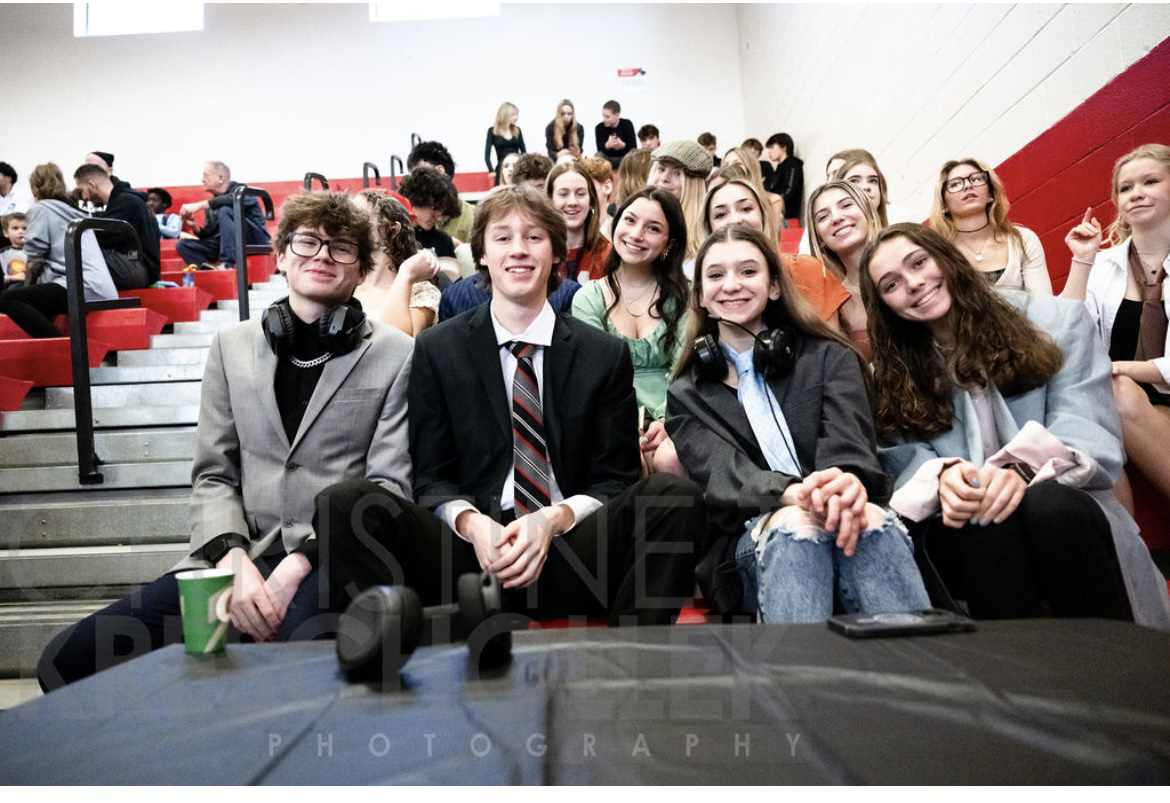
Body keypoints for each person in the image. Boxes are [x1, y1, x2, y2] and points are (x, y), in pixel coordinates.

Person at [37, 191, 417, 690]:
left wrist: (295, 566)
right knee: (65, 662)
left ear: (363, 269)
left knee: (277, 677)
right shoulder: (230, 346)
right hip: (236, 552)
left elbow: (387, 488)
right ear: (281, 256)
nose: (322, 255)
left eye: (341, 248)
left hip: (331, 560)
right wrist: (234, 559)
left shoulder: (397, 354)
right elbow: (214, 473)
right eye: (307, 242)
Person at [319, 185, 704, 627]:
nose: (518, 250)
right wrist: (473, 524)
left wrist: (552, 520)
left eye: (534, 237)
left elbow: (614, 479)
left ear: (556, 252)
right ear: (481, 253)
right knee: (345, 503)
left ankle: (629, 663)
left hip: (572, 547)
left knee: (675, 498)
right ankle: (392, 661)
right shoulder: (437, 349)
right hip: (470, 554)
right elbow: (431, 477)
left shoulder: (602, 354)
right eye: (503, 238)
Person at [861, 222, 1170, 628]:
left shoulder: (1057, 320)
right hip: (969, 524)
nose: (915, 283)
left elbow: (1084, 424)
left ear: (946, 257)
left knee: (1047, 504)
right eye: (891, 284)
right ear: (884, 305)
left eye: (919, 262)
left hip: (1067, 502)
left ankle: (1110, 668)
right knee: (984, 518)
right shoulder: (891, 371)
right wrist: (943, 478)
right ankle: (1019, 680)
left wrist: (1020, 470)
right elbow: (901, 454)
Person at [666, 224, 930, 622]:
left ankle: (918, 674)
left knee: (870, 522)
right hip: (753, 538)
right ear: (701, 296)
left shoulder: (830, 357)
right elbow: (724, 474)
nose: (732, 285)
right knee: (799, 527)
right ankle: (797, 683)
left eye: (748, 271)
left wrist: (840, 489)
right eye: (716, 275)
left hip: (845, 509)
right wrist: (792, 495)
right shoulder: (687, 393)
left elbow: (849, 444)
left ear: (774, 287)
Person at [1061, 143, 1170, 513]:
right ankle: (1128, 551)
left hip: (1139, 396)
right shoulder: (1106, 264)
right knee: (1087, 412)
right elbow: (1066, 330)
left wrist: (1116, 370)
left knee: (1113, 392)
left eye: (1150, 182)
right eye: (1126, 188)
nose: (1136, 193)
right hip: (1117, 404)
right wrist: (1082, 260)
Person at [572, 187, 689, 474]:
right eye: (630, 220)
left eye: (653, 228)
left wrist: (666, 423)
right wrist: (627, 430)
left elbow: (683, 371)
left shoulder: (684, 298)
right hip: (610, 418)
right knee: (625, 459)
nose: (636, 234)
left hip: (676, 416)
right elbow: (594, 377)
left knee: (670, 459)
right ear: (615, 224)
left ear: (669, 244)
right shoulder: (588, 298)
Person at [703, 174, 848, 329]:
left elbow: (831, 349)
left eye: (745, 208)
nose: (735, 220)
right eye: (721, 214)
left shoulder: (806, 269)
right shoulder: (707, 287)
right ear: (709, 228)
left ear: (763, 217)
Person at [0, 163, 115, 338]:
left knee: (8, 298)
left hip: (79, 285)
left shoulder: (41, 209)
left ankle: (59, 345)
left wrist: (27, 288)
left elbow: (34, 261)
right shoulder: (75, 210)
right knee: (35, 300)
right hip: (101, 287)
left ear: (35, 188)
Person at [928, 158, 1051, 294]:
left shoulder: (1022, 239)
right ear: (944, 205)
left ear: (990, 195)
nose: (968, 186)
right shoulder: (938, 255)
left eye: (976, 179)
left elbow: (1044, 305)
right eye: (955, 184)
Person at [351, 190, 442, 336]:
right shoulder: (347, 282)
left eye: (358, 216)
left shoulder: (419, 291)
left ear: (392, 230)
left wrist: (405, 276)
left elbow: (396, 340)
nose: (348, 223)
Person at [808, 180, 880, 359]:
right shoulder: (831, 302)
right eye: (823, 217)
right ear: (820, 238)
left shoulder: (908, 271)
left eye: (846, 205)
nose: (837, 218)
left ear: (868, 213)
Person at [73, 163, 160, 288]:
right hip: (140, 268)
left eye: (82, 191)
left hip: (138, 270)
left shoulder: (126, 202)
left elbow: (103, 238)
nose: (84, 197)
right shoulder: (127, 200)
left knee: (78, 252)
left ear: (92, 185)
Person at [176, 161, 271, 270]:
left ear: (221, 178)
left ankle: (227, 264)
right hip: (227, 244)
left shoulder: (242, 191)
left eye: (206, 176)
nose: (202, 180)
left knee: (225, 209)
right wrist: (195, 227)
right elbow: (210, 236)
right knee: (183, 245)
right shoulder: (212, 204)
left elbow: (231, 200)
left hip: (255, 240)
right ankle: (209, 272)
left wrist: (200, 205)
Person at [648, 140, 712, 265]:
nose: (664, 178)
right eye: (661, 169)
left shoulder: (707, 237)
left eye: (677, 173)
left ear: (692, 185)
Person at [547, 161, 610, 284]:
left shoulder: (608, 255)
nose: (572, 202)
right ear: (550, 200)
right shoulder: (540, 254)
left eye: (580, 194)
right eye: (563, 194)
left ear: (591, 200)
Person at [407, 140, 475, 245]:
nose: (415, 180)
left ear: (440, 171)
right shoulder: (405, 219)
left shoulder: (472, 216)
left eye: (420, 173)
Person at [764, 133, 804, 223]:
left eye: (772, 147)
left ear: (783, 147)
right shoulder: (779, 167)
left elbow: (789, 191)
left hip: (788, 217)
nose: (769, 151)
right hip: (779, 214)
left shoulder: (793, 164)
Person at [484, 102, 526, 185]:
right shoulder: (492, 131)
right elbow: (487, 154)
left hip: (517, 167)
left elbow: (524, 152)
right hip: (501, 167)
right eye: (514, 115)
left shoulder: (517, 130)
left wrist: (524, 168)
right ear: (506, 115)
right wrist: (491, 170)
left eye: (517, 115)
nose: (516, 118)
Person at [595, 99, 636, 170]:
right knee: (598, 156)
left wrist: (622, 145)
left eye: (607, 117)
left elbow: (633, 147)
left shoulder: (627, 124)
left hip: (623, 158)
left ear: (617, 115)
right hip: (608, 159)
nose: (604, 119)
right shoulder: (599, 127)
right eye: (603, 116)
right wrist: (607, 145)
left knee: (634, 156)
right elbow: (599, 149)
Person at [1, 213, 28, 288]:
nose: (21, 232)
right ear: (6, 233)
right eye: (15, 228)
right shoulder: (2, 253)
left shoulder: (34, 252)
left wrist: (10, 278)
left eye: (25, 228)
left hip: (27, 285)